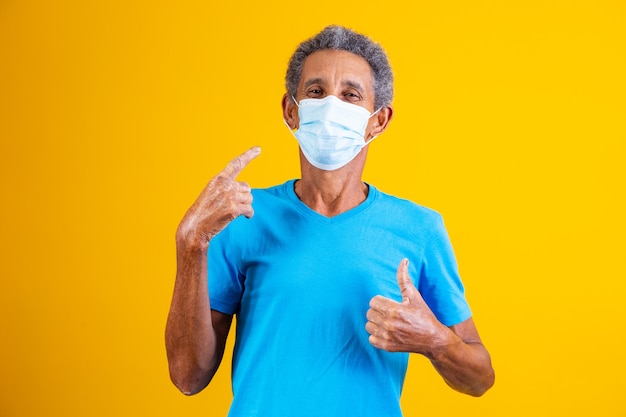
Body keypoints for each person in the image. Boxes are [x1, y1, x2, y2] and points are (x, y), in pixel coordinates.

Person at [165, 25, 495, 416]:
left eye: (351, 95)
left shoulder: (418, 229)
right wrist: (190, 245)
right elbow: (188, 377)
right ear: (292, 110)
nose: (331, 106)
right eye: (316, 92)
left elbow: (480, 379)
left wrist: (436, 341)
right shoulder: (242, 216)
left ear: (379, 120)